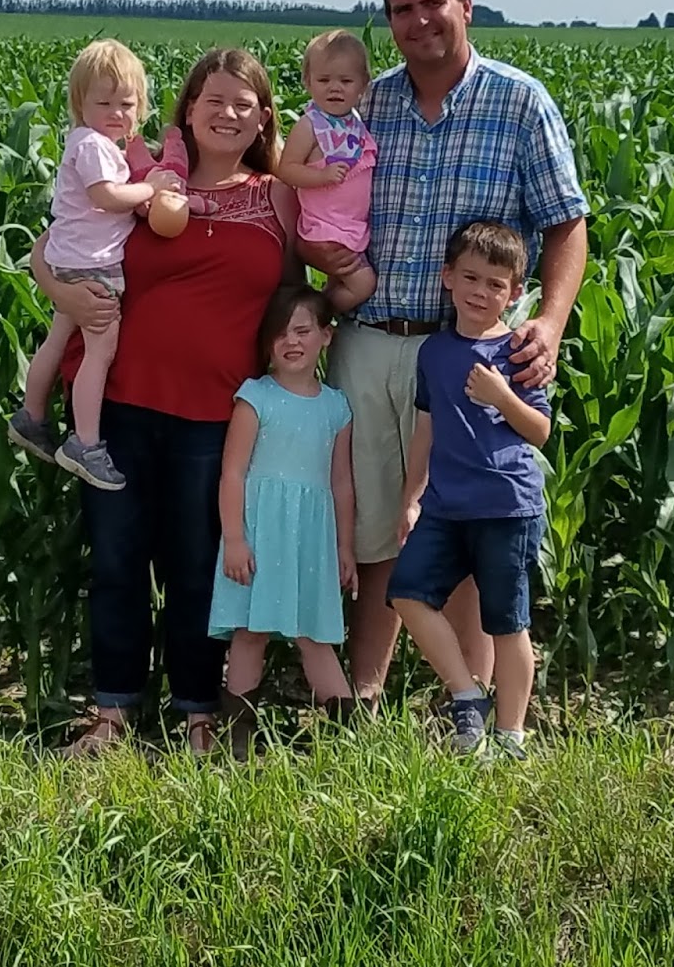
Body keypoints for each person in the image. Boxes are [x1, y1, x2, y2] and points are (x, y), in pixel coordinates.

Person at [314, 0, 590, 710]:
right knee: (377, 522)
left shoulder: (518, 102)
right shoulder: (366, 107)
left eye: (432, 3)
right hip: (371, 337)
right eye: (401, 10)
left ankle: (463, 702)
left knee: (466, 520)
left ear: (466, 5)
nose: (418, 21)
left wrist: (551, 321)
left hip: (472, 353)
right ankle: (363, 697)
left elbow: (568, 224)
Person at [34, 47, 300, 757]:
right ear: (187, 110)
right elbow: (53, 245)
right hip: (117, 401)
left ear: (263, 119)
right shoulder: (141, 176)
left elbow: (312, 285)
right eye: (213, 100)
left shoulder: (277, 197)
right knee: (118, 560)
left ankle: (198, 713)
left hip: (218, 415)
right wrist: (60, 293)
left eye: (244, 103)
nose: (228, 114)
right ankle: (111, 714)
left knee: (197, 564)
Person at [389, 222, 551, 757]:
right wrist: (412, 497)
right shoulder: (433, 352)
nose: (481, 293)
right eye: (471, 278)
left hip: (506, 505)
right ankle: (466, 694)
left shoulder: (521, 350)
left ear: (516, 293)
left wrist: (502, 395)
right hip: (444, 507)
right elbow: (426, 429)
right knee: (408, 592)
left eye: (496, 285)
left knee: (508, 622)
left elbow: (540, 431)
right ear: (447, 278)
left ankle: (511, 736)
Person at [8, 39, 186, 489]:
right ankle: (84, 443)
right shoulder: (92, 146)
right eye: (103, 102)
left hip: (70, 259)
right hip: (92, 267)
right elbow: (105, 197)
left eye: (126, 103)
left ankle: (30, 415)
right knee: (99, 351)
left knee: (57, 337)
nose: (116, 112)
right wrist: (153, 187)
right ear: (79, 103)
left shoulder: (93, 143)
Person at [209, 285, 359, 759]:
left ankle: (350, 744)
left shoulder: (337, 407)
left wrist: (344, 548)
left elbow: (341, 483)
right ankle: (237, 743)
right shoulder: (256, 397)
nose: (291, 341)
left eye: (302, 330)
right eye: (280, 333)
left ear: (326, 337)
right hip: (259, 532)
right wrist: (234, 538)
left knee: (314, 635)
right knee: (249, 632)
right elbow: (232, 471)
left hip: (311, 538)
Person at [272, 30, 377, 313]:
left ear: (363, 86)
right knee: (363, 284)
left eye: (345, 81)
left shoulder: (356, 122)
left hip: (348, 224)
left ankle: (318, 308)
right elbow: (287, 170)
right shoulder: (310, 126)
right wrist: (321, 176)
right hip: (326, 227)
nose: (335, 88)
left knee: (342, 281)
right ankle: (318, 313)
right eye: (323, 80)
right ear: (307, 82)